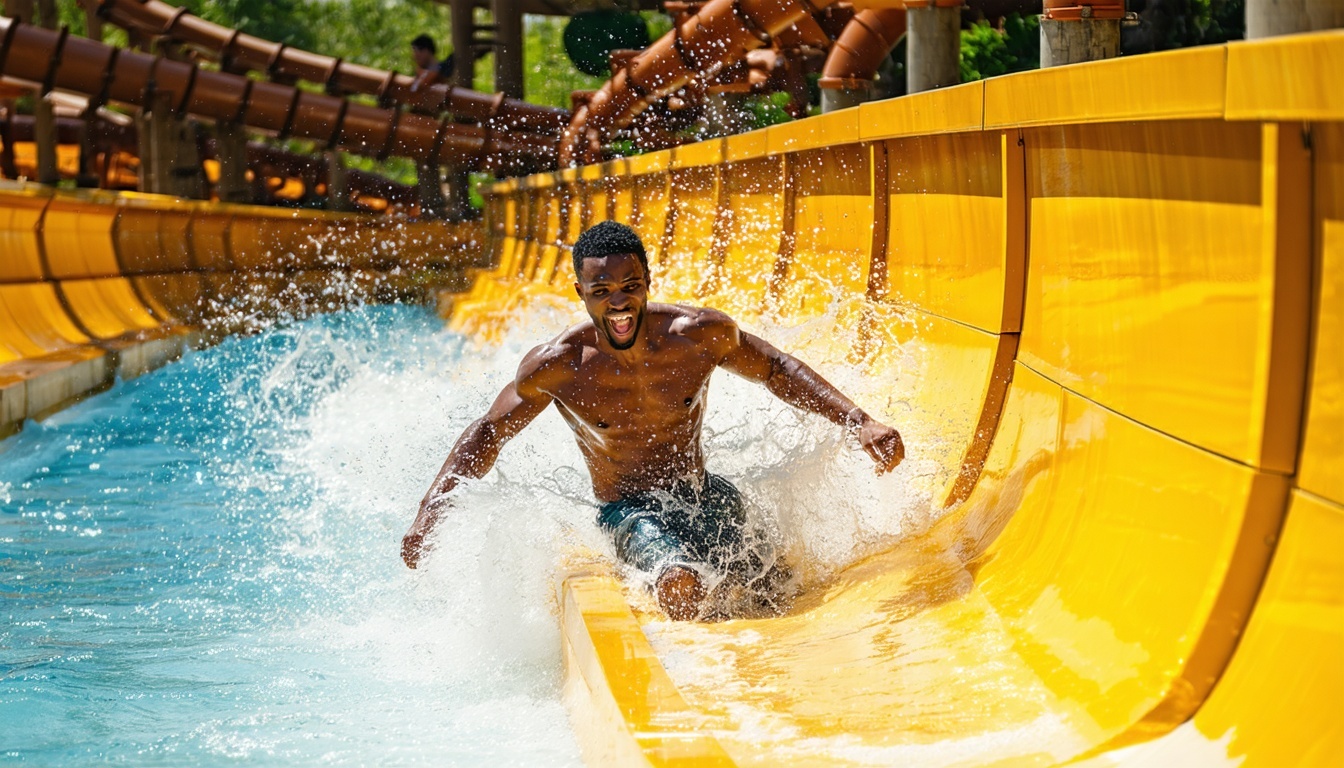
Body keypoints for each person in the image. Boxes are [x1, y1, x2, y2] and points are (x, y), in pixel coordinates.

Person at [401, 221, 905, 620]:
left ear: (647, 282)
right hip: (628, 512)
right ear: (579, 290)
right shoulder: (559, 365)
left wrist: (859, 421)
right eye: (601, 289)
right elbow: (491, 430)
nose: (618, 301)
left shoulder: (697, 334)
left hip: (704, 492)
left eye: (629, 285)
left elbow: (776, 369)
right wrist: (431, 509)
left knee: (780, 586)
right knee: (678, 583)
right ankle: (701, 692)